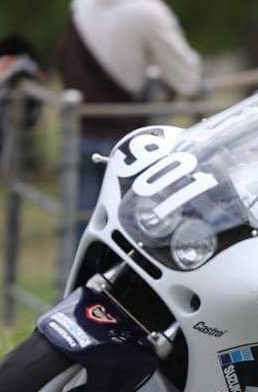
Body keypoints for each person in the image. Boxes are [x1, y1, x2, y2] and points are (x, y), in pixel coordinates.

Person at [57, 0, 202, 233]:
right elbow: (188, 78)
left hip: (81, 130)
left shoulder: (80, 5)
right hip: (127, 142)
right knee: (127, 229)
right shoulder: (146, 11)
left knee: (83, 226)